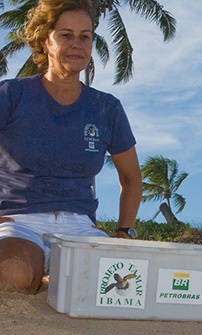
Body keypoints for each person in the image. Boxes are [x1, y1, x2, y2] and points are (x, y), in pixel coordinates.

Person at [0, 0, 142, 294]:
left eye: (85, 36)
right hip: (18, 221)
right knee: (14, 275)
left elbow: (131, 178)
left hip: (79, 227)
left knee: (115, 287)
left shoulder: (106, 108)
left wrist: (124, 231)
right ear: (46, 41)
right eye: (66, 35)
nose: (76, 44)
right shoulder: (12, 94)